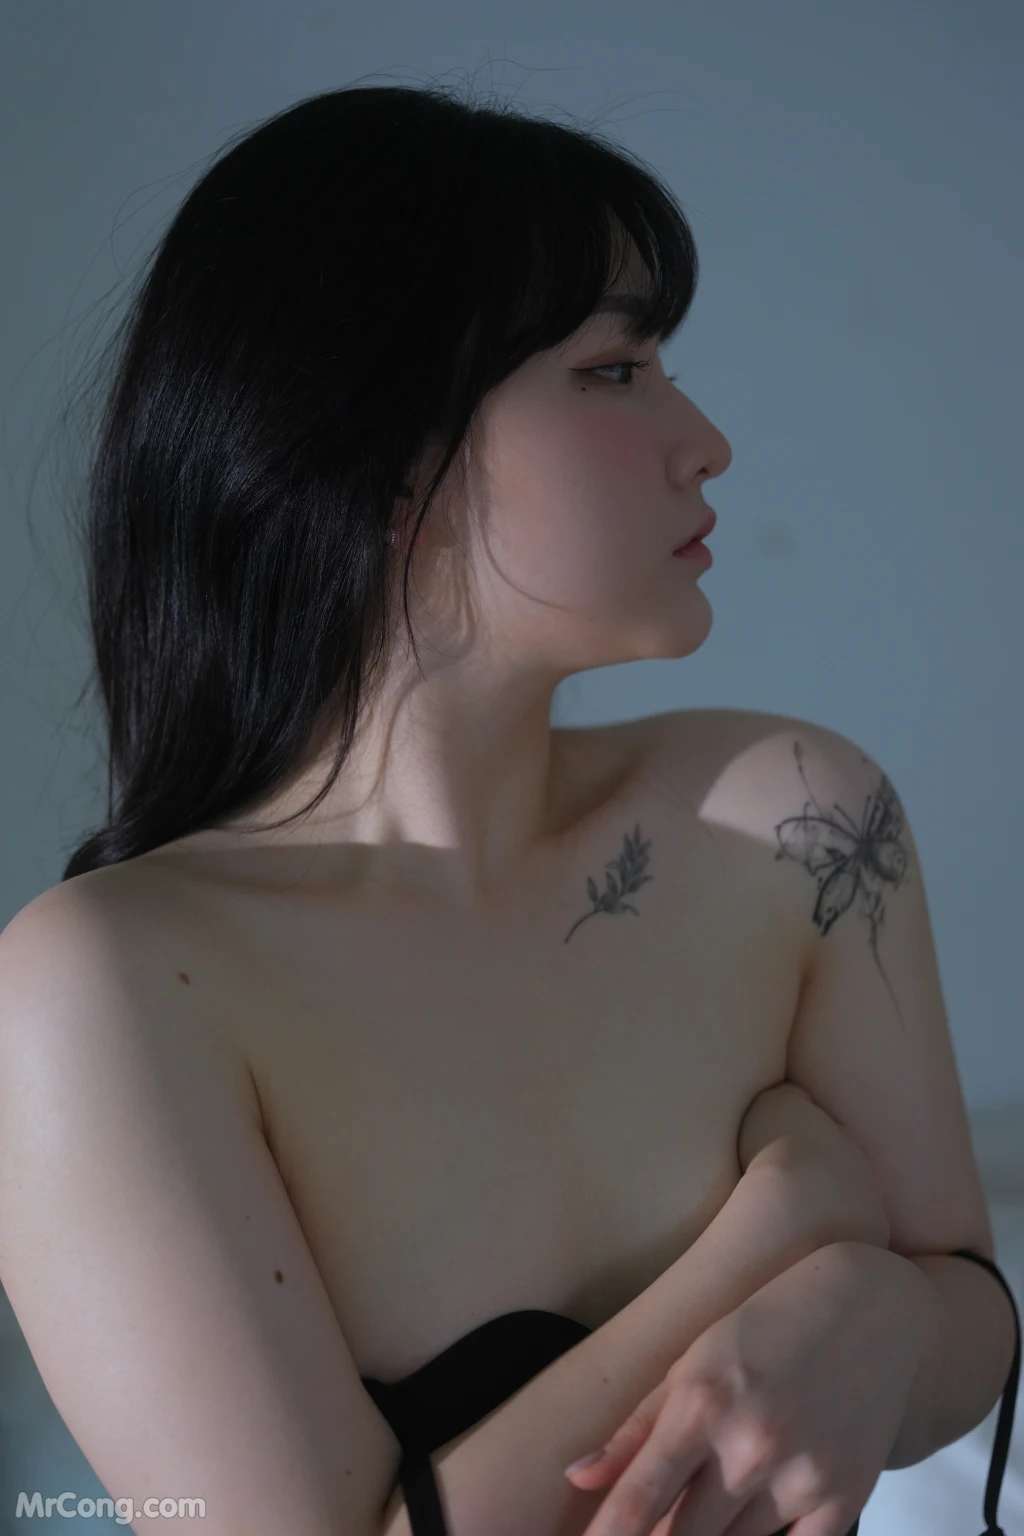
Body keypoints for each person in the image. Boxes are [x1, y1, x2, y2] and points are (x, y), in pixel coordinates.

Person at [1, 78, 1015, 1536]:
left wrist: (879, 1308)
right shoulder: (111, 982)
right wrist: (782, 1229)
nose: (705, 439)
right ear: (374, 446)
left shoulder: (795, 822)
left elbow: (963, 1302)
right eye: (616, 369)